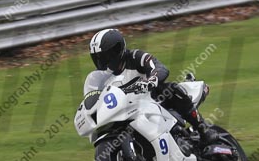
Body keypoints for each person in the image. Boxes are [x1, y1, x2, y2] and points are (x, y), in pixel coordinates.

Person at [89, 28, 218, 144]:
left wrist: (151, 80)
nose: (102, 62)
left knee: (170, 88)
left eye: (106, 56)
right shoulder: (100, 78)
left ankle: (203, 128)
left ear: (117, 51)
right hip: (126, 111)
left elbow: (160, 68)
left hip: (154, 100)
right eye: (98, 58)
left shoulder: (135, 57)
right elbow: (95, 98)